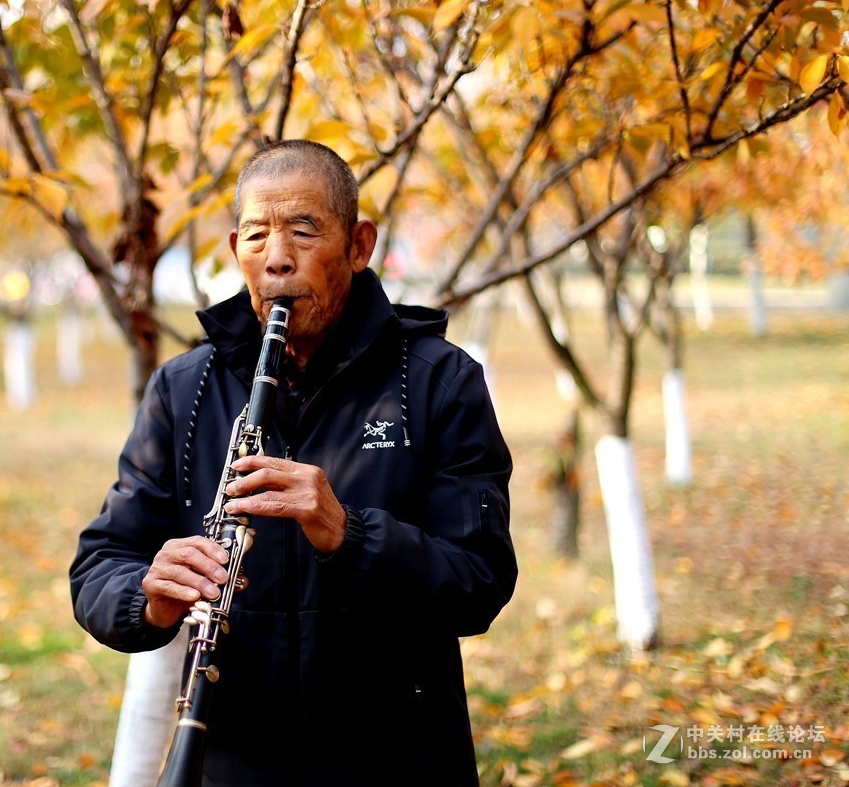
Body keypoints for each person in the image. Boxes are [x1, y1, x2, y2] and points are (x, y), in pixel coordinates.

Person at [69, 140, 517, 786]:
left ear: (359, 245)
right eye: (256, 236)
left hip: (398, 762)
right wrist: (148, 597)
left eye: (304, 231)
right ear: (234, 251)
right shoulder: (185, 389)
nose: (277, 259)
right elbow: (99, 565)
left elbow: (479, 584)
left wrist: (350, 532)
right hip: (232, 763)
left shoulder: (439, 382)